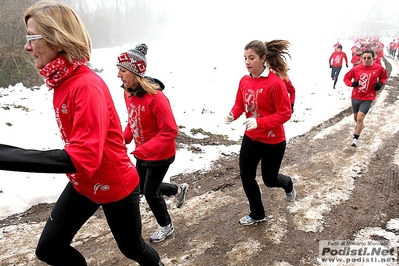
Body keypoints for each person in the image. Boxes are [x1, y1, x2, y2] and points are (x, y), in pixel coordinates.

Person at [0, 2, 164, 265]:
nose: (26, 46)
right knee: (49, 249)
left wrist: (4, 156)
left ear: (58, 38)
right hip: (83, 183)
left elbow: (83, 157)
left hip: (115, 185)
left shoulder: (86, 85)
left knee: (132, 249)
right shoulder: (61, 80)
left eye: (32, 37)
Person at [116, 44, 189, 243]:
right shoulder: (128, 93)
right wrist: (124, 138)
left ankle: (166, 225)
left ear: (135, 72)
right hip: (143, 153)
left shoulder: (156, 98)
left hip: (161, 154)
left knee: (149, 192)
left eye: (122, 71)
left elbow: (170, 131)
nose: (118, 75)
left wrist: (144, 148)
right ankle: (177, 190)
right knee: (141, 186)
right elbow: (133, 119)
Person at [224, 40, 296, 227]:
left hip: (273, 141)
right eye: (245, 58)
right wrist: (233, 114)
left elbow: (285, 113)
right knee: (246, 177)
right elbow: (241, 103)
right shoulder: (244, 80)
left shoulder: (275, 83)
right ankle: (257, 213)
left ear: (263, 58)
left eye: (252, 58)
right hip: (251, 138)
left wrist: (259, 122)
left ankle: (287, 184)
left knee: (270, 180)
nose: (247, 62)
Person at [343, 49, 388, 148]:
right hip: (356, 96)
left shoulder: (379, 68)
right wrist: (352, 84)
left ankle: (355, 139)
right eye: (364, 58)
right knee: (356, 118)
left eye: (369, 58)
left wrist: (380, 84)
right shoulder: (356, 68)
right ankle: (361, 126)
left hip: (368, 97)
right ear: (362, 58)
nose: (366, 60)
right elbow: (346, 78)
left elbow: (384, 77)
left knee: (360, 118)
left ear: (373, 58)